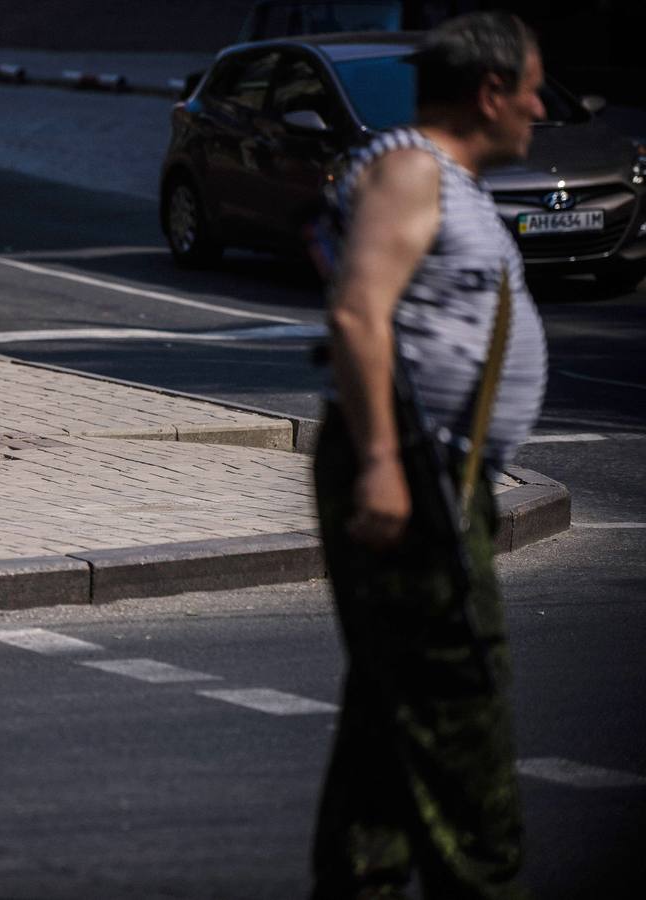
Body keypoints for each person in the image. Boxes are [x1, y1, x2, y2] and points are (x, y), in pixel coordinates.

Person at [310, 12, 547, 899]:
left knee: (391, 710)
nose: (537, 108)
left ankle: (360, 881)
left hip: (437, 469)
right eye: (531, 88)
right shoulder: (411, 169)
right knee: (457, 703)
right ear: (490, 93)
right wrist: (381, 462)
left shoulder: (446, 178)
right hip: (414, 470)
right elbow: (358, 313)